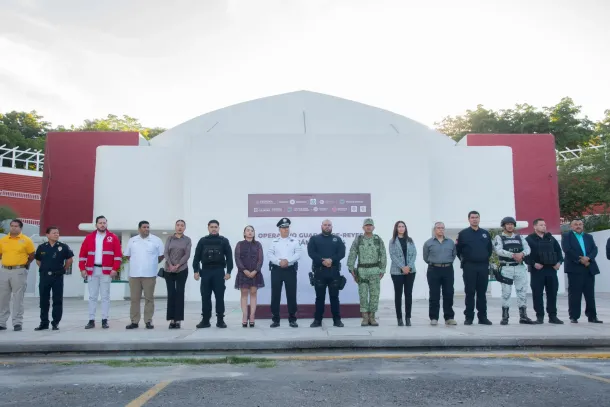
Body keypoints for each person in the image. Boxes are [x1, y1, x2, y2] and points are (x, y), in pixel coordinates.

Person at [79, 215, 123, 329]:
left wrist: (115, 268)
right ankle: (91, 320)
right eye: (100, 223)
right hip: (92, 270)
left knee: (105, 296)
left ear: (106, 224)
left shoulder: (113, 237)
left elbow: (118, 255)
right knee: (92, 296)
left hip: (106, 271)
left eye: (104, 223)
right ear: (96, 225)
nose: (102, 225)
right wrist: (82, 268)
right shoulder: (89, 237)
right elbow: (82, 254)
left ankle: (104, 320)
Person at [493, 216, 535, 325]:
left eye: (511, 224)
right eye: (507, 224)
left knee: (522, 292)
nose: (510, 226)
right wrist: (513, 255)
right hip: (506, 267)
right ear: (503, 226)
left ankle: (523, 316)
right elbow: (498, 250)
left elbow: (528, 249)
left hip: (520, 267)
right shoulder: (499, 237)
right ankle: (505, 317)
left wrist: (522, 254)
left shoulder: (519, 237)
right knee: (506, 293)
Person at [192, 219, 233, 329]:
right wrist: (196, 271)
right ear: (208, 228)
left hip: (219, 272)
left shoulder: (224, 241)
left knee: (219, 297)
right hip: (205, 272)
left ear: (219, 228)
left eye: (216, 227)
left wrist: (229, 272)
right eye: (212, 227)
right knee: (205, 296)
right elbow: (196, 258)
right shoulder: (202, 241)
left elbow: (229, 257)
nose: (214, 229)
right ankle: (205, 320)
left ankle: (220, 320)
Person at [561, 219, 603, 323]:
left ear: (583, 225)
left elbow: (594, 249)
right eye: (575, 224)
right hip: (574, 268)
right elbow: (567, 250)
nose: (578, 226)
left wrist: (588, 258)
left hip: (589, 267)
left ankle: (592, 316)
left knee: (590, 294)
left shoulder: (589, 237)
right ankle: (574, 316)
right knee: (575, 294)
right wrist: (580, 259)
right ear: (571, 226)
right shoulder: (567, 236)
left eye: (580, 224)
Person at [124, 221, 164, 330]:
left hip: (150, 274)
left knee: (149, 299)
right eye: (144, 227)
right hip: (134, 275)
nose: (146, 229)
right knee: (134, 299)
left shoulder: (156, 240)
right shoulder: (132, 240)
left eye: (148, 227)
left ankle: (148, 321)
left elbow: (161, 255)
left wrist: (151, 263)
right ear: (139, 229)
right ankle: (134, 321)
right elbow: (127, 255)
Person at [347, 218, 387, 327]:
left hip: (375, 270)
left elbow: (383, 254)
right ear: (363, 227)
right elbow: (352, 253)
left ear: (373, 227)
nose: (368, 227)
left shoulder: (378, 240)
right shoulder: (358, 239)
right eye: (366, 225)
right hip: (362, 272)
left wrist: (382, 269)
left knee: (374, 295)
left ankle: (372, 317)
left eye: (370, 225)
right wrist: (351, 268)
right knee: (363, 294)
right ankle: (365, 317)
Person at [456, 211, 493, 325]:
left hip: (483, 266)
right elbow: (458, 251)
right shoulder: (463, 234)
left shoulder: (485, 233)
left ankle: (482, 317)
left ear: (479, 219)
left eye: (476, 217)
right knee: (470, 292)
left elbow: (489, 250)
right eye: (472, 217)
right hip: (469, 266)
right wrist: (466, 260)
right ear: (469, 219)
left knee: (482, 293)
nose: (475, 219)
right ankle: (469, 317)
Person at [307, 219, 346, 328]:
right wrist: (322, 261)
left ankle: (337, 320)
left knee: (334, 297)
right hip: (319, 272)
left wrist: (331, 260)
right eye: (325, 225)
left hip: (334, 272)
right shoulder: (314, 239)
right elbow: (311, 253)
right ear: (321, 226)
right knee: (319, 298)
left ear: (332, 227)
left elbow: (341, 253)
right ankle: (317, 320)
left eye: (329, 225)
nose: (327, 226)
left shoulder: (337, 239)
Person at [34, 227, 74, 331]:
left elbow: (69, 260)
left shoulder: (63, 246)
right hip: (44, 277)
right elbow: (38, 260)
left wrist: (64, 269)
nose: (56, 234)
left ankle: (55, 322)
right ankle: (44, 323)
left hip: (57, 276)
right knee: (43, 300)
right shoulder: (42, 247)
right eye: (54, 233)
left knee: (57, 300)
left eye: (57, 233)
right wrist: (45, 268)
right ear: (47, 235)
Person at [525, 218, 564, 324]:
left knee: (552, 293)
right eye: (541, 225)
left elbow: (559, 252)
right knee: (537, 294)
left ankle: (553, 316)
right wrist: (534, 264)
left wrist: (559, 262)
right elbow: (526, 255)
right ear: (535, 226)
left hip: (551, 270)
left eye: (545, 225)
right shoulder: (529, 239)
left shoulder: (550, 238)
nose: (544, 227)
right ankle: (540, 316)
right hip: (538, 271)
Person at [0, 219, 35, 331]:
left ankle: (17, 322)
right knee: (3, 297)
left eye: (16, 226)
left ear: (20, 228)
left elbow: (32, 255)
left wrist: (25, 265)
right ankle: (2, 322)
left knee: (18, 297)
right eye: (12, 226)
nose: (13, 228)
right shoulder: (3, 240)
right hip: (5, 270)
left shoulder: (26, 240)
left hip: (19, 271)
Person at [268, 218, 302, 328]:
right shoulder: (274, 241)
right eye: (283, 228)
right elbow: (270, 254)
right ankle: (275, 319)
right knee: (275, 295)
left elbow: (298, 254)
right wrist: (279, 262)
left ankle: (292, 319)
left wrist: (288, 261)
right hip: (276, 270)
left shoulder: (294, 241)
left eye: (287, 227)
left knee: (291, 294)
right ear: (279, 229)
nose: (285, 229)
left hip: (290, 270)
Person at [422, 222, 457, 326]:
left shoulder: (450, 242)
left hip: (448, 269)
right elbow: (426, 257)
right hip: (433, 269)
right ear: (434, 230)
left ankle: (449, 317)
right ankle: (434, 317)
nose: (441, 230)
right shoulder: (428, 243)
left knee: (449, 293)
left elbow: (453, 255)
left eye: (442, 228)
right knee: (434, 294)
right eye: (438, 228)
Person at [234, 225, 264, 327]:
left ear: (254, 233)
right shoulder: (240, 244)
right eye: (248, 230)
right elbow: (237, 258)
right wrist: (244, 270)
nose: (250, 232)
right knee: (244, 294)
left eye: (252, 230)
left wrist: (255, 270)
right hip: (243, 273)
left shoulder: (258, 244)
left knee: (253, 293)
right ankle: (244, 316)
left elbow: (260, 259)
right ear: (244, 233)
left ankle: (252, 316)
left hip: (255, 273)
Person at [163, 219, 191, 329]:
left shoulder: (187, 240)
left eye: (182, 225)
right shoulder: (169, 238)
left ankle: (178, 319)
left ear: (185, 228)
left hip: (182, 269)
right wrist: (171, 265)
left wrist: (178, 265)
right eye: (178, 225)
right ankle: (172, 320)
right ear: (175, 227)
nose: (180, 227)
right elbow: (166, 252)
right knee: (171, 294)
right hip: (169, 270)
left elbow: (187, 254)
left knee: (180, 294)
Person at [388, 221, 417, 327]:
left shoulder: (410, 240)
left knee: (408, 294)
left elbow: (414, 254)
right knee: (398, 295)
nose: (401, 228)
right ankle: (399, 318)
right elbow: (393, 255)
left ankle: (408, 318)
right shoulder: (392, 241)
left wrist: (408, 266)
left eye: (403, 226)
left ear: (405, 228)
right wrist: (402, 267)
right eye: (399, 226)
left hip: (410, 271)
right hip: (397, 272)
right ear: (396, 228)